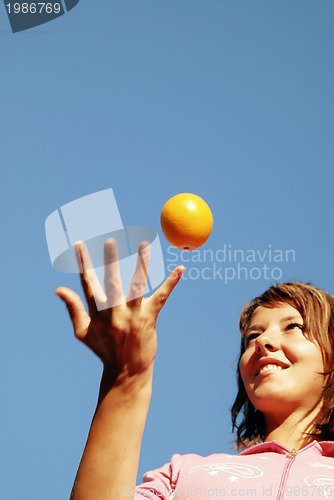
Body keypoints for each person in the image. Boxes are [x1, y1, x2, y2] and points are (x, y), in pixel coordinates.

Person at [57, 239, 334, 499]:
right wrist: (126, 378)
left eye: (292, 327)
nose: (262, 341)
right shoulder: (181, 476)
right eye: (251, 337)